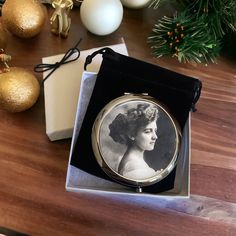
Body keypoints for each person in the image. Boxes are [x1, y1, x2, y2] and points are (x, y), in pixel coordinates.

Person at [109, 103, 161, 180]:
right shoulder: (137, 168)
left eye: (155, 131)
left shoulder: (128, 159)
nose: (155, 137)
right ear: (131, 135)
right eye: (148, 131)